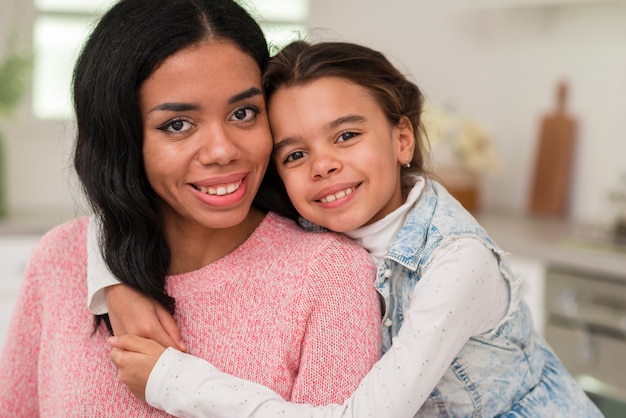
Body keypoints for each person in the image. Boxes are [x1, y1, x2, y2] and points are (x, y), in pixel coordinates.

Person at [100, 41, 602, 417]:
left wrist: (176, 381)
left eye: (346, 135)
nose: (323, 166)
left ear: (402, 138)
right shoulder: (317, 223)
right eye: (295, 154)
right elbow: (120, 203)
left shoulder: (458, 263)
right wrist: (115, 282)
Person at [0, 3, 384, 415]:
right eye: (178, 124)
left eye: (243, 113)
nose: (222, 151)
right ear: (122, 138)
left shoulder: (331, 276)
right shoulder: (61, 258)